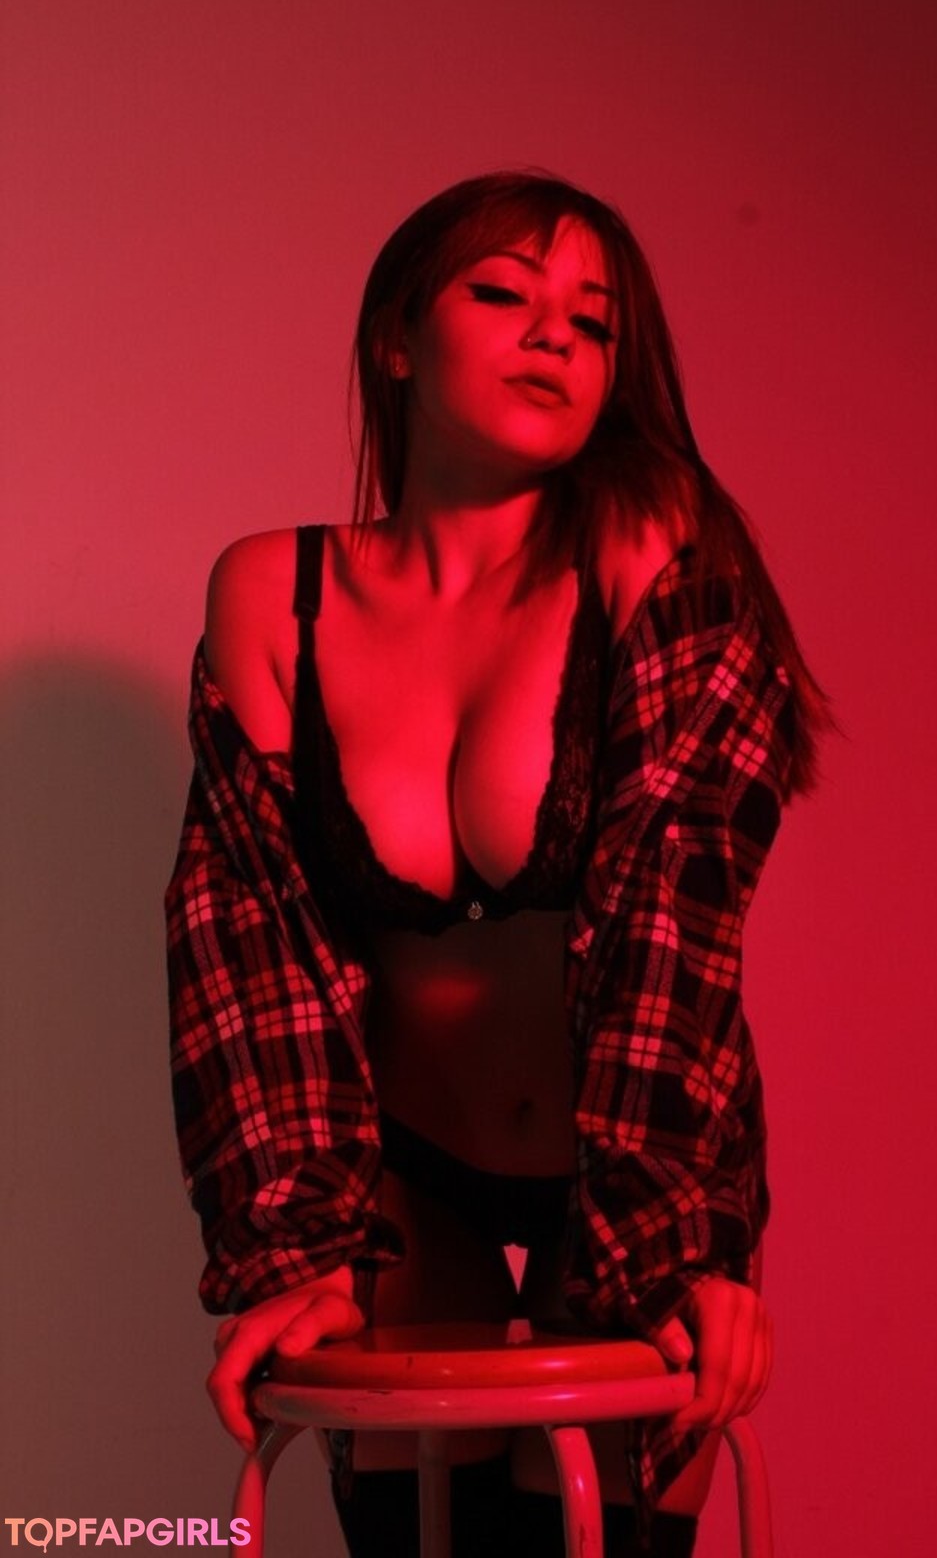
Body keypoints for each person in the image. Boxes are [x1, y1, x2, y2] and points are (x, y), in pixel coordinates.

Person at [165, 170, 829, 1557]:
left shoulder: (655, 551)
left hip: (633, 1160)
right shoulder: (275, 596)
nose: (553, 337)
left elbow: (678, 914)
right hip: (400, 1173)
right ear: (397, 337)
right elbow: (245, 942)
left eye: (593, 322)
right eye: (504, 294)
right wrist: (292, 1248)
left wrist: (678, 1237)